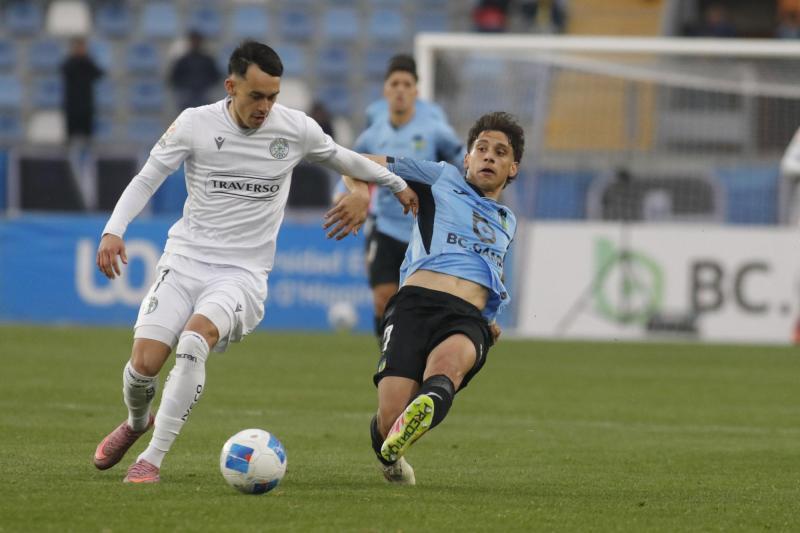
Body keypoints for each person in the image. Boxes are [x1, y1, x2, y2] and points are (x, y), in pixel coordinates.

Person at [92, 40, 417, 484]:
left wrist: (393, 184)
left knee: (193, 342)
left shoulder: (294, 129)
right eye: (256, 96)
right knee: (143, 367)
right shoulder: (194, 123)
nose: (265, 106)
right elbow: (148, 177)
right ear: (231, 87)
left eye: (273, 96)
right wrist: (114, 229)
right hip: (184, 259)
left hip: (241, 273)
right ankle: (136, 422)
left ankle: (152, 458)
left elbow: (346, 158)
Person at [335, 111, 524, 485]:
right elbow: (351, 161)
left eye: (500, 153)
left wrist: (489, 316)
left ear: (512, 168)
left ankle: (432, 397)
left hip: (466, 319)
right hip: (414, 307)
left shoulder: (507, 221)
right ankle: (392, 453)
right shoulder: (438, 177)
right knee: (390, 419)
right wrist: (359, 192)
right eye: (481, 149)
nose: (489, 157)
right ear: (466, 159)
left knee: (448, 368)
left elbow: (490, 270)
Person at [338, 54, 465, 340]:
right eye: (394, 83)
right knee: (383, 299)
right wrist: (344, 195)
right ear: (385, 90)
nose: (400, 89)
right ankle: (388, 358)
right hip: (385, 229)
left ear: (416, 92)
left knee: (423, 305)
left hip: (426, 232)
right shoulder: (373, 135)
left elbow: (463, 166)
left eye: (407, 84)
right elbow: (349, 164)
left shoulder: (436, 131)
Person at [61, 37, 103, 143]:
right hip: (72, 107)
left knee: (87, 138)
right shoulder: (70, 63)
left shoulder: (88, 63)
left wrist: (86, 59)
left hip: (86, 106)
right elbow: (64, 70)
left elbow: (99, 73)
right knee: (70, 138)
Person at [168, 30, 222, 111]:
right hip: (187, 95)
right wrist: (184, 88)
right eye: (193, 40)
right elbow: (173, 78)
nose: (195, 43)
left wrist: (206, 86)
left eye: (197, 40)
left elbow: (216, 76)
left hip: (203, 94)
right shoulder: (183, 60)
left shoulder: (207, 59)